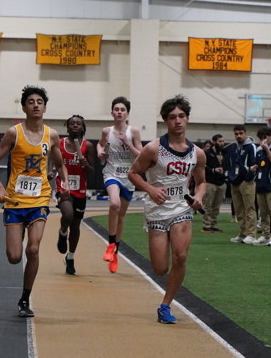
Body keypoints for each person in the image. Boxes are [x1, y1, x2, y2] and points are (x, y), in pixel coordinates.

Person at [0, 85, 67, 318]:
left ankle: (24, 298)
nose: (35, 105)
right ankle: (18, 232)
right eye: (31, 102)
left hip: (40, 198)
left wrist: (64, 183)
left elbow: (60, 164)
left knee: (33, 248)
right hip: (14, 200)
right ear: (24, 107)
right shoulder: (14, 133)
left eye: (39, 102)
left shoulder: (52, 135)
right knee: (14, 257)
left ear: (45, 107)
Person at [127, 95, 206, 325]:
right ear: (165, 120)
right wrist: (150, 189)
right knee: (160, 268)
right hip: (157, 210)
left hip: (181, 208)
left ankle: (165, 306)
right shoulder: (153, 148)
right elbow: (133, 173)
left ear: (187, 118)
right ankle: (165, 295)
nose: (177, 121)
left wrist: (198, 197)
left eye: (181, 116)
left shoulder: (197, 153)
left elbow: (202, 182)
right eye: (172, 117)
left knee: (180, 256)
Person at [96, 97, 143, 272]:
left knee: (121, 217)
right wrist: (100, 153)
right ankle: (110, 244)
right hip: (111, 174)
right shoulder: (106, 131)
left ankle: (115, 252)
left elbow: (141, 155)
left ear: (127, 113)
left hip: (128, 177)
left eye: (122, 110)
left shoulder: (133, 131)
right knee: (114, 204)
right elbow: (100, 145)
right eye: (116, 109)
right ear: (112, 112)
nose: (119, 112)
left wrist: (127, 143)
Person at [55, 114, 92, 275]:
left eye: (78, 123)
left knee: (76, 226)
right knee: (68, 214)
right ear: (68, 127)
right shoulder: (60, 143)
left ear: (83, 128)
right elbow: (55, 162)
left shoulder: (87, 146)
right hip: (63, 186)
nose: (75, 125)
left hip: (80, 190)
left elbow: (91, 172)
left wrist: (86, 165)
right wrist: (51, 173)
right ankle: (63, 232)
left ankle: (70, 257)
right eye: (72, 123)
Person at [224, 124, 258, 243]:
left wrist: (248, 178)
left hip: (246, 182)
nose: (238, 136)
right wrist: (230, 177)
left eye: (241, 133)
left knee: (249, 208)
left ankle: (251, 234)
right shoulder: (234, 147)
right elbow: (231, 163)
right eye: (236, 134)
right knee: (238, 210)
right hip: (235, 181)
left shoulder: (251, 147)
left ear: (245, 133)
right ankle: (243, 233)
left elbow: (254, 164)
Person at [201, 133, 227, 233]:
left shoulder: (224, 152)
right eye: (220, 141)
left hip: (221, 182)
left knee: (216, 207)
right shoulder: (207, 153)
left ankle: (214, 225)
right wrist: (213, 170)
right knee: (208, 205)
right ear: (214, 141)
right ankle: (206, 225)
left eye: (223, 141)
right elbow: (202, 166)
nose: (222, 143)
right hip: (210, 182)